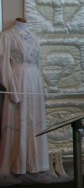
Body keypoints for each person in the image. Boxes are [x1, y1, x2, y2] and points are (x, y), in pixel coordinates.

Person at [0, 17, 50, 178]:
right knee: (19, 119)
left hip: (34, 81)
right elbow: (3, 64)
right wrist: (11, 88)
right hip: (18, 80)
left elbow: (38, 64)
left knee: (34, 121)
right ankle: (18, 164)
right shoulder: (7, 36)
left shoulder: (33, 36)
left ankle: (35, 163)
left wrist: (42, 87)